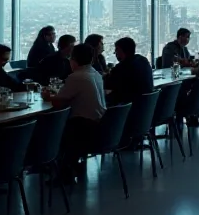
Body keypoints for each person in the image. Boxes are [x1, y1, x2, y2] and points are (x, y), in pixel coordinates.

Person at [41, 43, 106, 181]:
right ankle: (68, 166)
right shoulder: (95, 74)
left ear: (73, 59)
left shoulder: (76, 77)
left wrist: (47, 96)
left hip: (83, 128)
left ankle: (57, 167)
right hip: (100, 123)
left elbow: (59, 102)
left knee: (49, 129)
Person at [104, 37, 154, 105]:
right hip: (146, 107)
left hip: (128, 109)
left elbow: (107, 84)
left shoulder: (121, 67)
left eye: (116, 50)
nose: (115, 53)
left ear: (121, 50)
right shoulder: (143, 61)